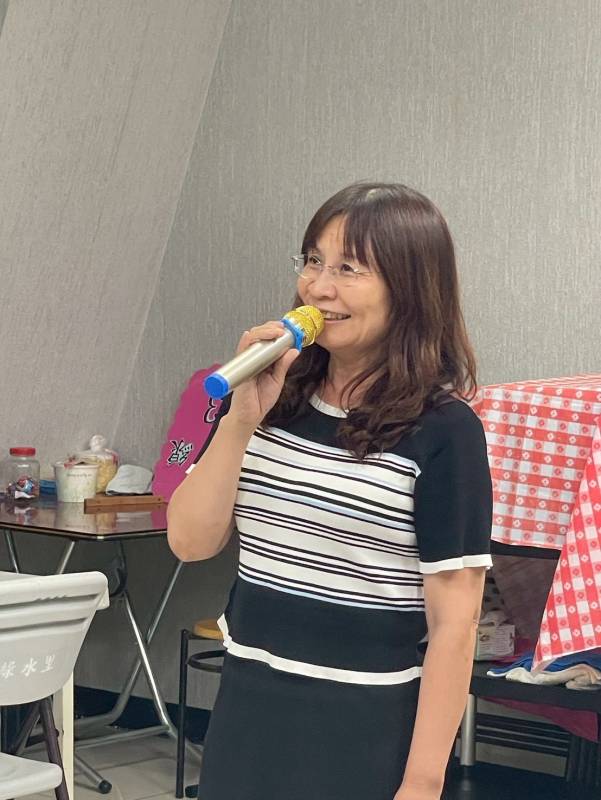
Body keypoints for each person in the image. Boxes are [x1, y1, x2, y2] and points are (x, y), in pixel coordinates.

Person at [167, 182, 493, 800]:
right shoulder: (274, 395)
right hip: (246, 707)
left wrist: (422, 782)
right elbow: (189, 542)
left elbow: (456, 623)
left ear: (410, 288)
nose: (318, 287)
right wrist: (240, 420)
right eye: (314, 261)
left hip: (363, 723)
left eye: (349, 268)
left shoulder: (445, 430)